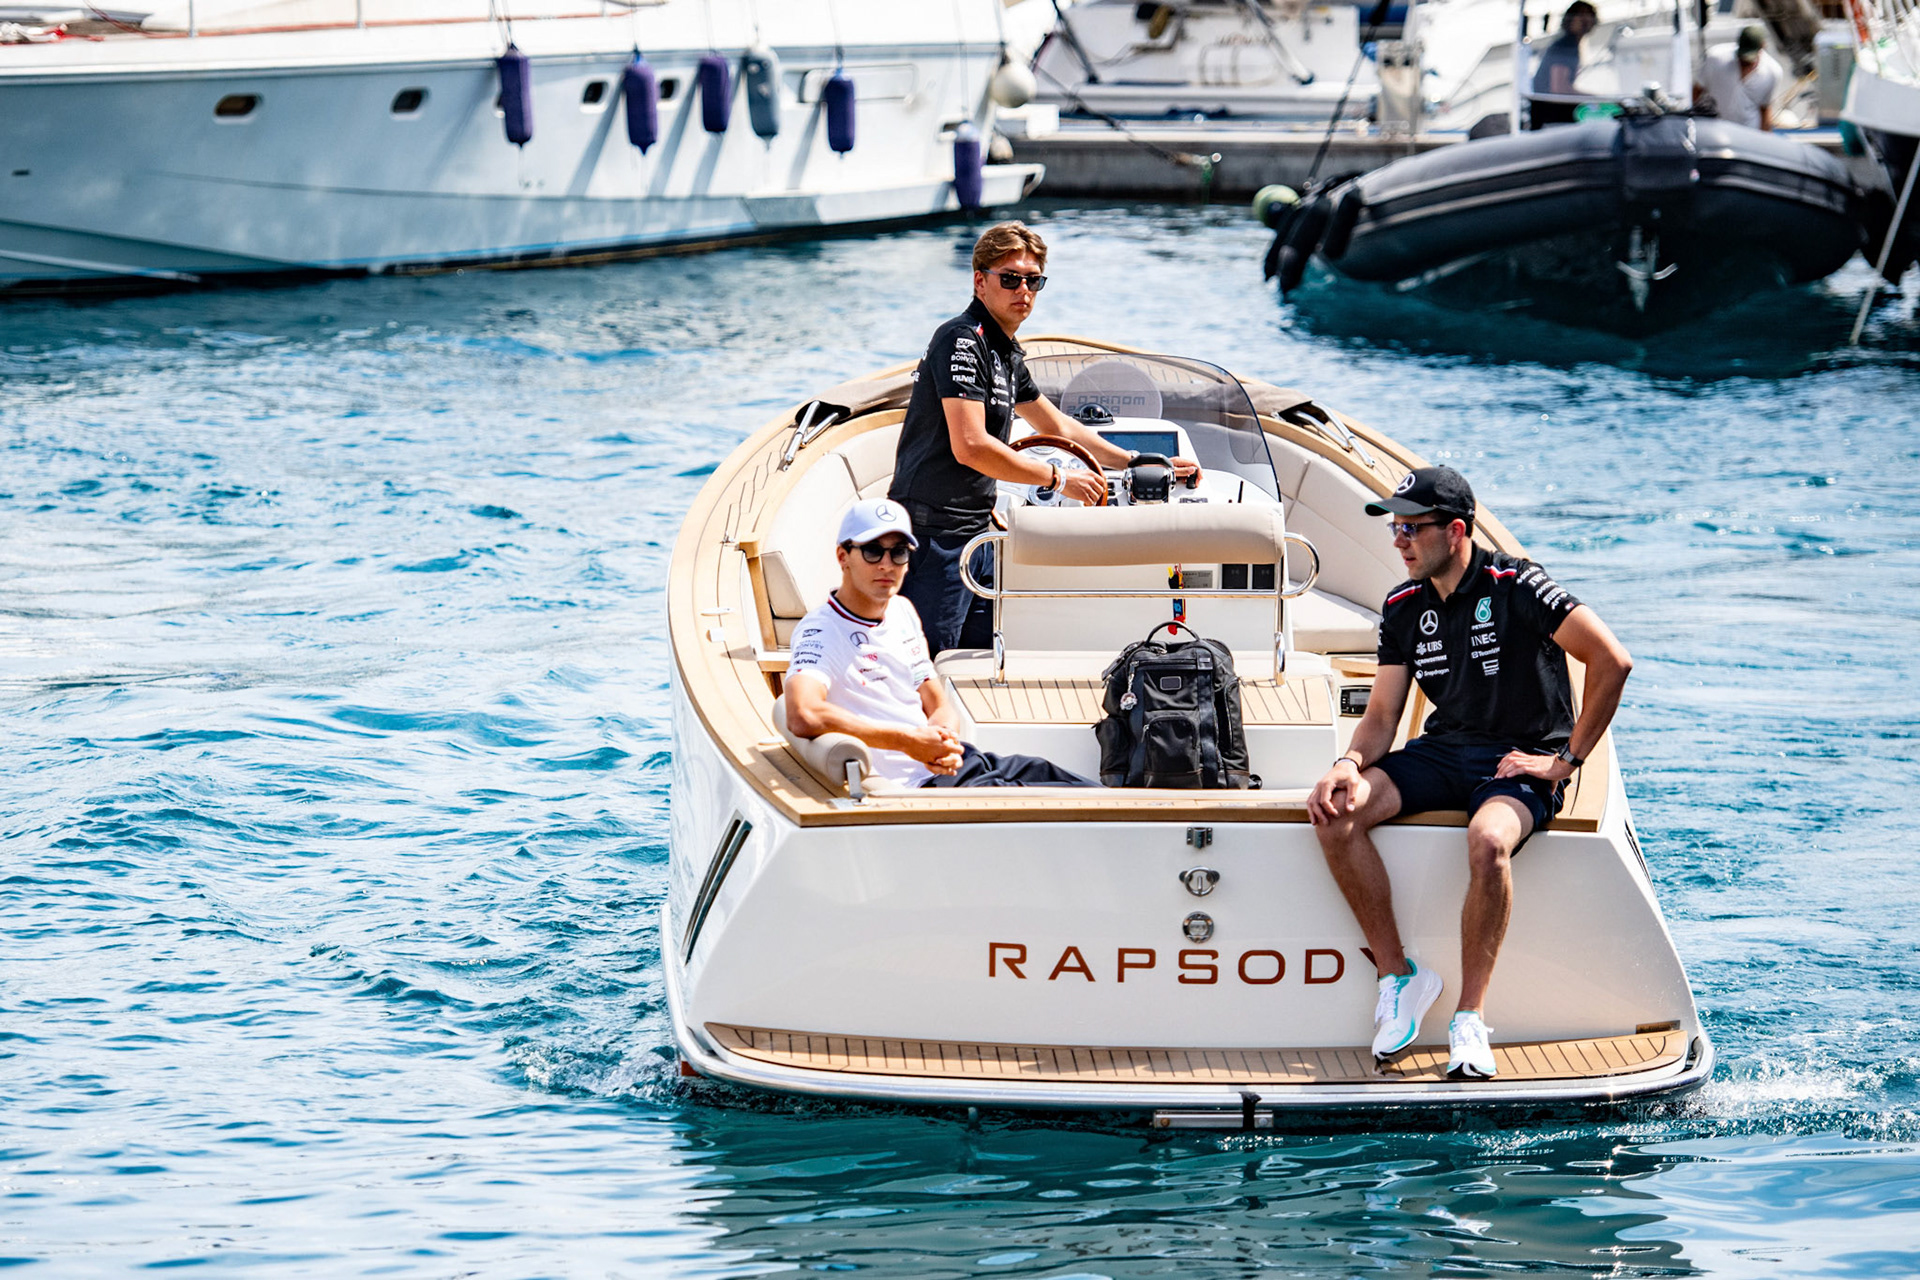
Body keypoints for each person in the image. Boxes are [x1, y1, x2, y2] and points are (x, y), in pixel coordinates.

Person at [1305, 467, 1632, 1080]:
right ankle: (1398, 976)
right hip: (1444, 752)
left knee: (1487, 843)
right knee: (1334, 814)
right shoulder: (1403, 606)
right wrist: (1347, 764)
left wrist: (1564, 762)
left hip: (1520, 757)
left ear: (1455, 531)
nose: (1398, 540)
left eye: (1411, 528)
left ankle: (1469, 1020)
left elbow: (1612, 661)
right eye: (1394, 528)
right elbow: (1381, 716)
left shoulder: (1519, 584)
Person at [887, 220, 1200, 655]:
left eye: (1033, 280)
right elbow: (971, 446)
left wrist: (1134, 462)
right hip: (935, 535)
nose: (1023, 290)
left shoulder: (1005, 353)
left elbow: (1059, 428)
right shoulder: (961, 340)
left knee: (985, 654)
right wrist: (1055, 480)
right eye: (1010, 279)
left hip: (977, 529)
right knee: (927, 662)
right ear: (980, 282)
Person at [785, 498, 1098, 790]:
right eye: (872, 551)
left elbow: (936, 702)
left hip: (953, 766)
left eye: (899, 552)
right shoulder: (822, 630)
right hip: (916, 787)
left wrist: (943, 741)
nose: (886, 564)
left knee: (1072, 784)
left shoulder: (902, 611)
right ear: (843, 557)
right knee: (1077, 804)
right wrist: (909, 742)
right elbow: (803, 714)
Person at [1696, 25, 1781, 132]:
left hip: (1748, 134)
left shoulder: (1772, 71)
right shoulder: (1715, 58)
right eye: (1742, 58)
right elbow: (1697, 90)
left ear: (1762, 47)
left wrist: (1766, 138)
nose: (1744, 62)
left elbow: (1765, 108)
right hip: (1715, 130)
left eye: (1749, 59)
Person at [1528, 1, 1596, 128]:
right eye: (1580, 16)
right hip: (1548, 117)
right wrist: (1597, 99)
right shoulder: (1566, 45)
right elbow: (1559, 88)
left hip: (1546, 113)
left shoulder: (1570, 44)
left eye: (1588, 16)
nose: (1584, 20)